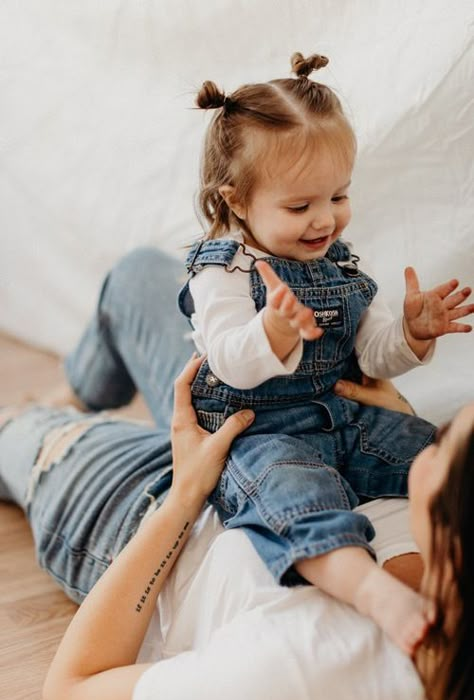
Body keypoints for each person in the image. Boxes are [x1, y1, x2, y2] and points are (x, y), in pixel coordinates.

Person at [0, 246, 473, 700]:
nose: (431, 441)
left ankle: (43, 417)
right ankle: (71, 398)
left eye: (446, 442)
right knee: (137, 276)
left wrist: (183, 497)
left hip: (154, 517)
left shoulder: (301, 667)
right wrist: (392, 415)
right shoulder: (433, 516)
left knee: (14, 430)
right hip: (277, 430)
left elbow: (71, 689)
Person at [177, 51, 474, 654]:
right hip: (260, 435)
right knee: (297, 497)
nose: (325, 220)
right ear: (236, 200)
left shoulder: (338, 265)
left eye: (338, 196)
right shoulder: (223, 271)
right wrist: (274, 333)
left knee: (436, 452)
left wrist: (413, 335)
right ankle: (374, 591)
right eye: (299, 206)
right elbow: (230, 358)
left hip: (343, 416)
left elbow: (373, 354)